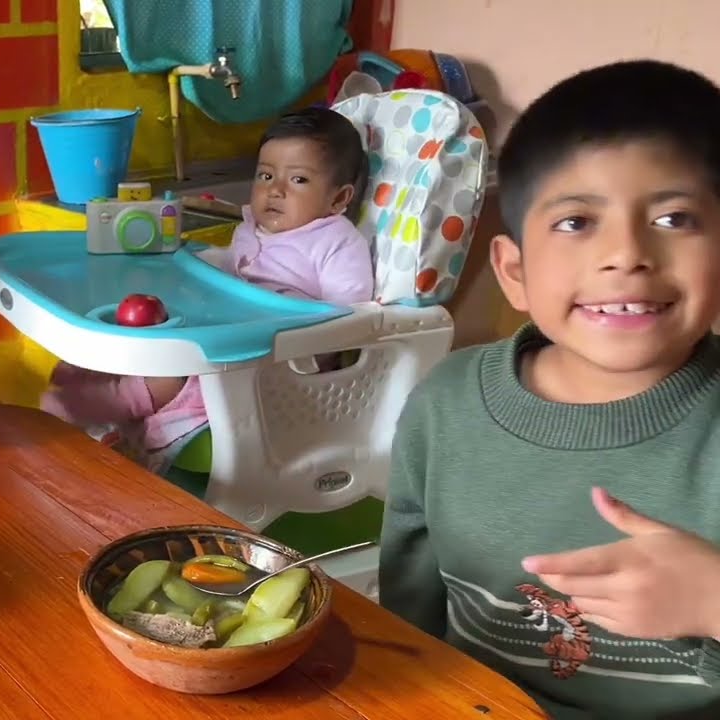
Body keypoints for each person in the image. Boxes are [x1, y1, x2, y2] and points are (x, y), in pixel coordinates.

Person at [379, 59, 720, 719]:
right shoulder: (445, 406)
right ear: (513, 271)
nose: (626, 254)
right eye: (575, 222)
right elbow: (409, 614)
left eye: (675, 218)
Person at [40, 107, 375, 471]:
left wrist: (284, 313)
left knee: (178, 363)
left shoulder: (336, 241)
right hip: (232, 329)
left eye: (298, 181)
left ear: (339, 199)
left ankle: (114, 407)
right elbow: (231, 268)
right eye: (265, 174)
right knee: (155, 329)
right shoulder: (252, 228)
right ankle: (93, 379)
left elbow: (347, 318)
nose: (274, 190)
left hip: (281, 360)